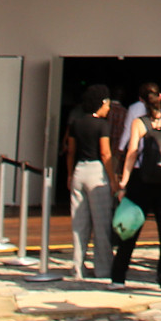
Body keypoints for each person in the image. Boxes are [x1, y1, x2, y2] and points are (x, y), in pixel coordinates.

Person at [119, 81, 161, 289]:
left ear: (142, 101)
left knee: (131, 227)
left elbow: (132, 152)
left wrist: (124, 180)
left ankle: (119, 275)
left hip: (141, 178)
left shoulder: (139, 122)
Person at [64, 84, 117, 281]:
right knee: (101, 223)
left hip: (79, 170)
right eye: (107, 104)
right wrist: (113, 179)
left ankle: (78, 267)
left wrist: (69, 174)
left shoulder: (76, 123)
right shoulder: (103, 125)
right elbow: (105, 153)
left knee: (80, 223)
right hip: (97, 173)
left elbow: (70, 151)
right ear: (101, 103)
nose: (109, 108)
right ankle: (103, 268)